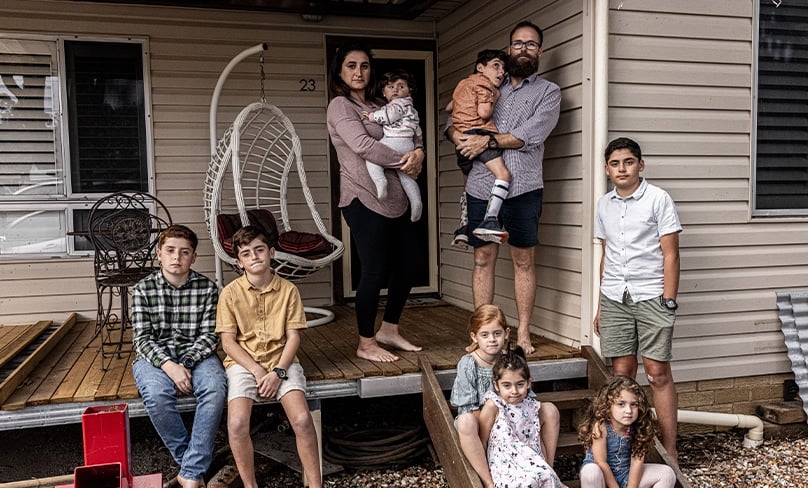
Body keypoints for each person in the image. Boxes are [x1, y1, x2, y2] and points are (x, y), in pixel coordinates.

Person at [446, 20, 562, 355]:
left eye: (531, 44)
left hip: (525, 186)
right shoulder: (485, 83)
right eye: (517, 43)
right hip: (482, 185)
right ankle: (481, 332)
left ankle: (523, 333)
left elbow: (531, 134)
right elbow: (453, 121)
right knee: (483, 258)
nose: (523, 48)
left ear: (539, 51)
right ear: (508, 48)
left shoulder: (548, 92)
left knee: (523, 260)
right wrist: (459, 138)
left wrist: (483, 142)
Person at [326, 43, 425, 363]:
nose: (358, 72)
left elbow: (413, 129)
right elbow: (362, 145)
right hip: (362, 197)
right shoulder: (340, 106)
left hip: (396, 195)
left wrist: (419, 153)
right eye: (351, 65)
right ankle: (366, 342)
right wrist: (405, 162)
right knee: (374, 271)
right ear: (340, 71)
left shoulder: (383, 102)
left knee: (409, 265)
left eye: (365, 65)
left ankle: (389, 329)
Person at [593, 137, 682, 462]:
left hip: (652, 296)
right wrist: (600, 306)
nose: (622, 169)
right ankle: (625, 447)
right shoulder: (604, 205)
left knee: (657, 372)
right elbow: (606, 256)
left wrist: (668, 301)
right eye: (615, 164)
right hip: (615, 296)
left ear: (640, 165)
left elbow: (671, 255)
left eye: (628, 162)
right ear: (607, 169)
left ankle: (670, 448)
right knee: (622, 374)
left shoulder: (658, 199)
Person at [215, 225, 322, 488]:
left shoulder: (288, 291)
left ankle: (317, 485)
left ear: (271, 252)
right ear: (239, 262)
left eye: (259, 250)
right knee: (238, 423)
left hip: (282, 362)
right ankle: (251, 486)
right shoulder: (229, 294)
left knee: (302, 419)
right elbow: (228, 343)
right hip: (244, 364)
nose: (254, 257)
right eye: (247, 253)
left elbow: (294, 337)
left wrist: (278, 373)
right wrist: (257, 371)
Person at [131, 224, 227, 488]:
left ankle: (189, 473)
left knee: (215, 389)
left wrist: (185, 364)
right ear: (159, 254)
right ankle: (193, 467)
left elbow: (211, 336)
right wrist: (169, 366)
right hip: (154, 357)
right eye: (170, 250)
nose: (177, 257)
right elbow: (142, 339)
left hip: (197, 354)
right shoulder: (142, 290)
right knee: (157, 395)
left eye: (185, 252)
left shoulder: (208, 289)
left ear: (193, 257)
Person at [450, 304, 560, 488]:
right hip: (482, 421)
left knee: (549, 409)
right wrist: (500, 423)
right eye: (485, 335)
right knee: (465, 421)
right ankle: (488, 480)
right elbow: (469, 407)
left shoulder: (510, 360)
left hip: (514, 416)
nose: (492, 340)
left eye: (497, 334)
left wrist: (514, 419)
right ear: (474, 337)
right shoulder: (469, 364)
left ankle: (546, 470)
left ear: (506, 333)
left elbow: (527, 397)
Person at [449, 48, 510, 248]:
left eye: (503, 68)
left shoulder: (462, 84)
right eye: (496, 66)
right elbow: (484, 112)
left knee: (468, 185)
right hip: (478, 135)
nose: (501, 72)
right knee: (503, 175)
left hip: (462, 142)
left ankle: (464, 227)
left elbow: (450, 107)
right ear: (480, 67)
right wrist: (494, 96)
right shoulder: (484, 85)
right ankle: (490, 219)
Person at [479, 345, 564, 488]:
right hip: (505, 465)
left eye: (520, 384)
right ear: (496, 385)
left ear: (529, 383)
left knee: (545, 477)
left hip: (532, 459)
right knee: (525, 483)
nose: (514, 391)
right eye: (507, 385)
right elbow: (483, 441)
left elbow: (537, 440)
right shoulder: (494, 406)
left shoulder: (532, 406)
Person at [578, 376, 677, 488]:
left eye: (633, 404)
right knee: (591, 473)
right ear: (608, 405)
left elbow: (637, 462)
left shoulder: (639, 427)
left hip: (626, 474)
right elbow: (601, 462)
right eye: (621, 404)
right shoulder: (601, 426)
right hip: (602, 478)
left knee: (667, 474)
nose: (628, 411)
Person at [362, 68, 424, 222]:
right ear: (383, 91)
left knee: (372, 158)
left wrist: (372, 116)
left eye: (401, 86)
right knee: (406, 175)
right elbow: (418, 131)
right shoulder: (412, 108)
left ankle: (380, 181)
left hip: (393, 140)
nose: (396, 90)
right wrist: (419, 148)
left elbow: (388, 117)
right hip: (408, 145)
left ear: (410, 90)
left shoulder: (397, 104)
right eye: (391, 87)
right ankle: (416, 201)